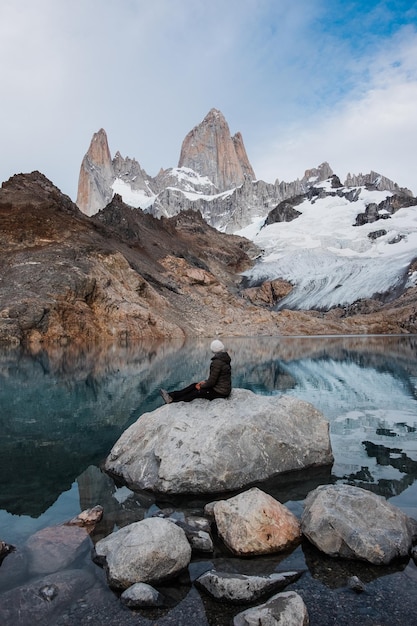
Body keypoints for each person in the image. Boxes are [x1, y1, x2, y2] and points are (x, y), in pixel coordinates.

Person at [160, 340, 231, 403]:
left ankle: (174, 401)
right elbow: (216, 378)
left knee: (196, 392)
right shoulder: (223, 358)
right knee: (194, 385)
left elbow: (212, 382)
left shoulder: (217, 362)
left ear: (212, 349)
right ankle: (171, 395)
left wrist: (202, 386)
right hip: (221, 389)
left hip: (220, 392)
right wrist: (204, 382)